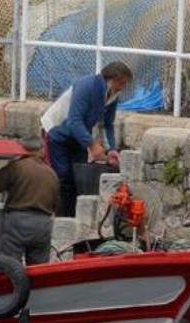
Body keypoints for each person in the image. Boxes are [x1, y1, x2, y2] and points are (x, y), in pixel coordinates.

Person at [42, 61, 133, 217]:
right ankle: (61, 219)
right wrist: (92, 144)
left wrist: (112, 148)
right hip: (57, 132)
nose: (122, 87)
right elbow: (74, 120)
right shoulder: (87, 86)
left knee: (78, 177)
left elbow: (108, 124)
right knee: (63, 177)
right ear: (111, 79)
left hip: (79, 135)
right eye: (121, 83)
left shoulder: (113, 95)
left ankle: (74, 217)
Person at [0, 156, 59, 265]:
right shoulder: (51, 173)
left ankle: (12, 281)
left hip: (18, 221)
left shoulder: (17, 167)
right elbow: (56, 202)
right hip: (43, 224)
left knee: (11, 265)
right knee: (39, 267)